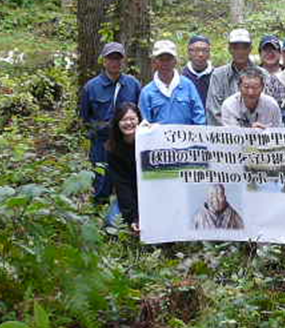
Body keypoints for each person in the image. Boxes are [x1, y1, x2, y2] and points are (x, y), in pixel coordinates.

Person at [80, 42, 142, 201]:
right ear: (104, 60)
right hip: (102, 143)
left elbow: (140, 113)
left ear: (123, 61)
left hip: (128, 143)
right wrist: (100, 130)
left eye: (118, 58)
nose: (115, 62)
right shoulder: (91, 87)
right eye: (111, 58)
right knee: (102, 183)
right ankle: (99, 215)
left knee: (131, 180)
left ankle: (130, 216)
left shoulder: (133, 84)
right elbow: (85, 118)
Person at [206, 28, 266, 126]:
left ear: (250, 49)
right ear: (230, 49)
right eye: (235, 47)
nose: (240, 51)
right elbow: (213, 111)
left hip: (258, 134)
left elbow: (267, 108)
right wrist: (234, 133)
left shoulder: (263, 74)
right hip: (225, 135)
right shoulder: (218, 75)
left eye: (244, 47)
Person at [139, 40, 206, 125]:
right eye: (161, 59)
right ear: (154, 62)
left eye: (169, 59)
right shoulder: (147, 92)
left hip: (187, 137)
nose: (165, 63)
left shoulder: (188, 86)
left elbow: (199, 117)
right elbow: (145, 124)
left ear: (175, 61)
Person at [105, 102, 142, 230]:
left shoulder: (150, 141)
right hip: (129, 192)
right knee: (112, 222)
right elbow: (122, 185)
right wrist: (133, 217)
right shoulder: (112, 150)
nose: (129, 123)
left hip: (150, 193)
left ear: (139, 120)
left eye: (132, 119)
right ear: (117, 123)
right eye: (124, 120)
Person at [181, 35, 214, 107]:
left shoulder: (216, 76)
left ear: (209, 53)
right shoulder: (180, 77)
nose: (200, 54)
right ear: (189, 52)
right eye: (196, 50)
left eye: (205, 50)